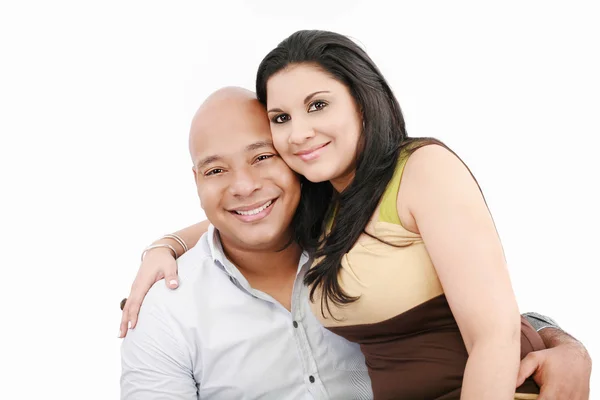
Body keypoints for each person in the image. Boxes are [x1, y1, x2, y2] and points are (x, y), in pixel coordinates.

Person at [120, 31, 592, 399]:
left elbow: (495, 328)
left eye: (318, 105)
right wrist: (166, 244)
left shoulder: (420, 173)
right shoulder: (325, 212)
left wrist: (565, 345)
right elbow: (245, 207)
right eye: (282, 118)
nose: (300, 132)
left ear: (362, 100)